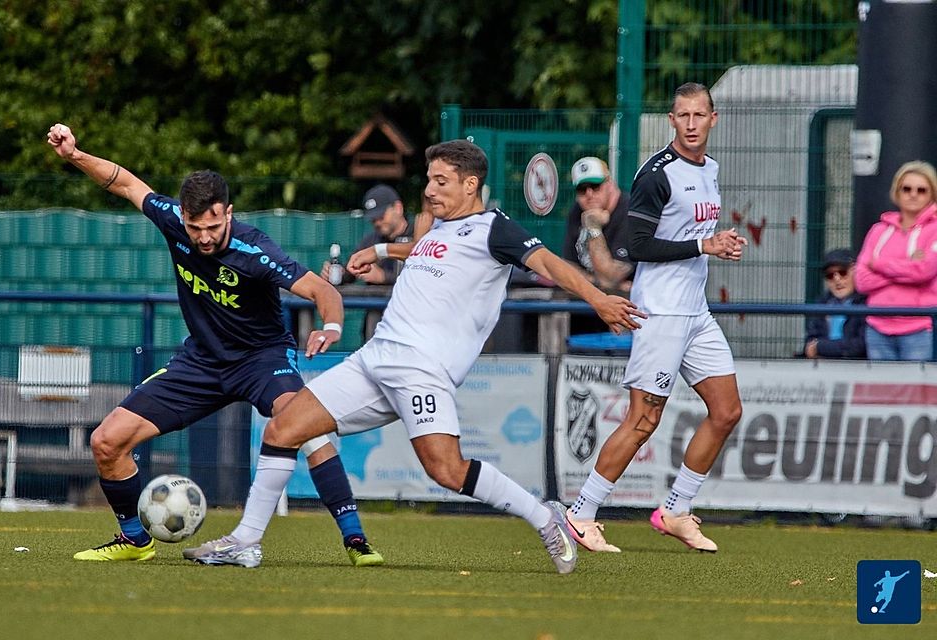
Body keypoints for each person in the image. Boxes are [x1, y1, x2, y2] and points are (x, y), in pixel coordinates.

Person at [192, 139, 646, 574]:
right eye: (429, 179)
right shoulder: (441, 228)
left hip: (422, 370)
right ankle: (246, 542)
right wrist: (380, 250)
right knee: (283, 426)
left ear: (470, 185)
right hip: (377, 358)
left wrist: (599, 299)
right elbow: (427, 249)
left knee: (447, 470)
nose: (429, 189)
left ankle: (546, 517)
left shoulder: (496, 229)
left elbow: (549, 264)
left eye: (441, 181)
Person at [46, 123, 383, 568]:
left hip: (262, 359)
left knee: (305, 424)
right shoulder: (172, 220)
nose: (203, 237)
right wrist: (75, 155)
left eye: (212, 226)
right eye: (194, 226)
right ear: (182, 215)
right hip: (201, 361)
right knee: (106, 441)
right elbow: (125, 181)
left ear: (228, 212)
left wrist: (333, 329)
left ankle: (355, 539)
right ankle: (133, 539)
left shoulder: (255, 249)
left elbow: (325, 292)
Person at [566, 82, 747, 554]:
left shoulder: (709, 168)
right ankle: (581, 513)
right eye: (682, 116)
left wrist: (717, 242)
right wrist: (704, 245)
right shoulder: (656, 174)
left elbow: (691, 233)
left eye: (699, 115)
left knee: (727, 411)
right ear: (671, 120)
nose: (691, 124)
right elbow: (638, 247)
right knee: (643, 420)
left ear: (714, 118)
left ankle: (676, 510)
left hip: (695, 313)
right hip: (661, 313)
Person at [854, 161, 937, 361]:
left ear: (931, 195)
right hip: (877, 327)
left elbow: (924, 271)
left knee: (916, 391)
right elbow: (861, 281)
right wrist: (906, 266)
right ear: (897, 191)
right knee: (881, 391)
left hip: (918, 329)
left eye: (921, 190)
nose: (913, 194)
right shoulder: (878, 230)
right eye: (906, 188)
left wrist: (880, 265)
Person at [562, 156, 635, 293]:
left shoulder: (629, 213)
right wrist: (596, 282)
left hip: (629, 305)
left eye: (595, 186)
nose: (589, 194)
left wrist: (594, 228)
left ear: (610, 184)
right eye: (582, 189)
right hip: (588, 297)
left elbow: (609, 278)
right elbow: (567, 268)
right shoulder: (577, 211)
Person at [321, 184, 415, 286]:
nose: (377, 222)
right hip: (377, 301)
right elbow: (350, 271)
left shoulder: (417, 236)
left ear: (398, 208)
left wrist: (384, 277)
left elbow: (424, 279)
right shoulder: (371, 240)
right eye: (373, 219)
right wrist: (338, 274)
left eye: (381, 216)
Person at [802, 248, 867, 359]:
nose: (837, 280)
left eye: (843, 272)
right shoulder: (821, 304)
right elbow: (809, 344)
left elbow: (859, 346)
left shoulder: (866, 304)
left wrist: (820, 347)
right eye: (830, 275)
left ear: (854, 271)